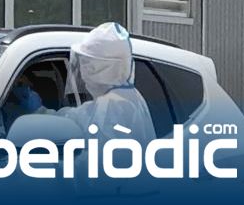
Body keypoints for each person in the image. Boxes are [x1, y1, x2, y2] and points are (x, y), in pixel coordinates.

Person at [8, 22, 153, 144]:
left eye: (87, 64)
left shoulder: (114, 105)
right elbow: (76, 118)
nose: (83, 72)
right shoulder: (129, 97)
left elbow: (101, 161)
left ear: (101, 67)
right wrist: (41, 111)